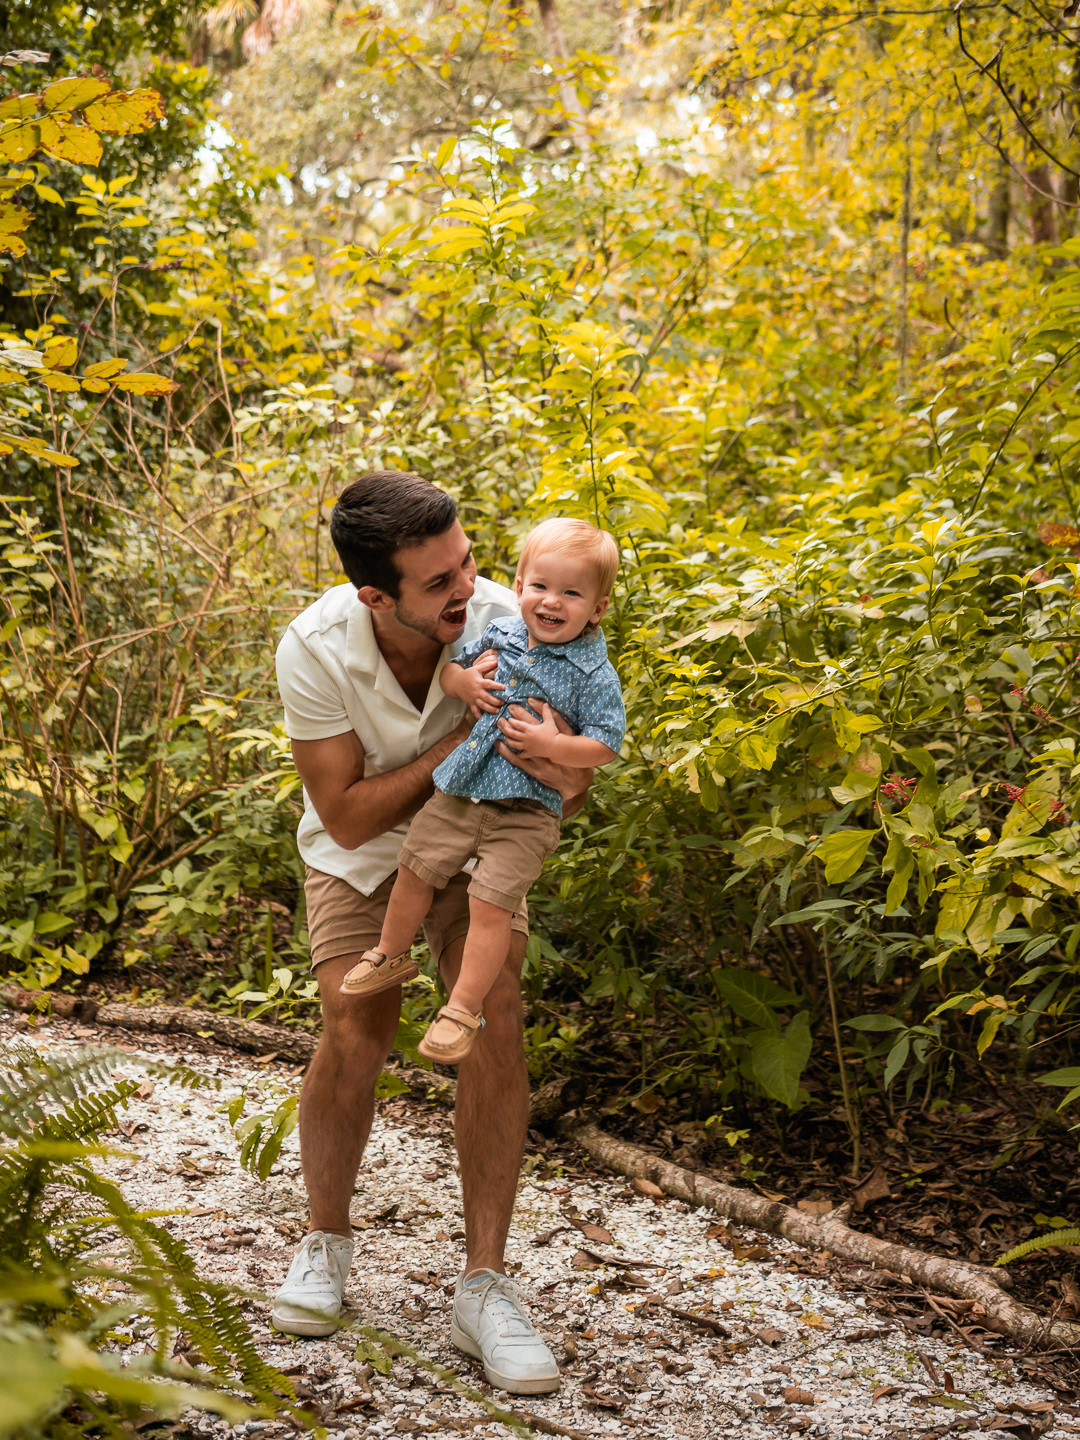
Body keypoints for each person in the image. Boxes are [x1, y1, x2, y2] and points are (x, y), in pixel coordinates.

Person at [270, 470, 591, 1396]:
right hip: (364, 862)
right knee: (354, 1020)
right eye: (439, 583)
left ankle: (483, 1286)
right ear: (376, 595)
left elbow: (572, 782)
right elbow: (349, 819)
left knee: (492, 1012)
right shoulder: (316, 647)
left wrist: (557, 761)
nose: (469, 590)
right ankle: (326, 1241)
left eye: (468, 563)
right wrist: (465, 745)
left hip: (479, 847)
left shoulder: (522, 616)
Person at [339, 518, 624, 1067]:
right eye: (541, 586)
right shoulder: (500, 634)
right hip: (464, 788)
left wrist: (553, 745)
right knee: (415, 868)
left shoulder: (595, 674)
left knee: (489, 905)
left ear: (598, 608)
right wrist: (463, 683)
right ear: (519, 587)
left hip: (525, 810)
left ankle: (462, 1008)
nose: (552, 602)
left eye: (572, 593)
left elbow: (605, 744)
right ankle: (391, 953)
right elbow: (453, 673)